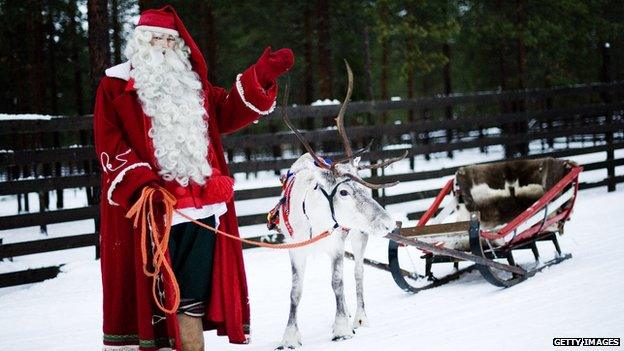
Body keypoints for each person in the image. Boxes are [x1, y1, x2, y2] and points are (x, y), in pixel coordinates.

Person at [94, 5, 294, 351]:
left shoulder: (193, 86)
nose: (161, 46)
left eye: (169, 40)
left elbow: (229, 110)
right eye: (153, 38)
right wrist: (144, 186)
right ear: (139, 43)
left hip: (203, 211)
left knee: (192, 302)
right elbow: (108, 141)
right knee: (152, 303)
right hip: (151, 214)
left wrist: (259, 76)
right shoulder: (113, 87)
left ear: (180, 46)